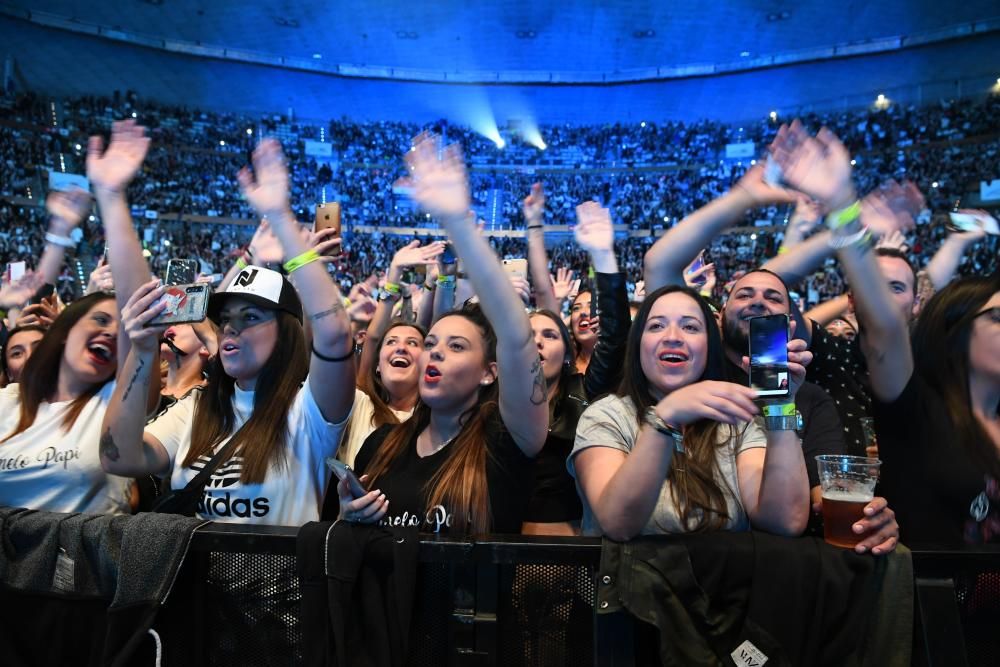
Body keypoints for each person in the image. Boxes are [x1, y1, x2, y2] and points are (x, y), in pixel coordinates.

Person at [99, 139, 356, 526]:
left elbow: (335, 334)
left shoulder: (310, 412)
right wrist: (141, 349)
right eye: (227, 318)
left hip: (277, 588)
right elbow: (119, 457)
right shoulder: (198, 408)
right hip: (194, 588)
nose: (232, 327)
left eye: (251, 317)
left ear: (286, 332)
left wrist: (280, 217)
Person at [770, 121, 1000, 544]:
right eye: (997, 319)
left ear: (919, 303)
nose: (887, 298)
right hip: (892, 569)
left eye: (901, 289)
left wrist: (955, 244)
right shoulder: (906, 394)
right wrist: (844, 209)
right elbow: (774, 293)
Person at [342, 133, 548, 535]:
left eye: (456, 347)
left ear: (489, 372)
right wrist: (349, 516)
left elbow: (518, 338)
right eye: (431, 344)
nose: (433, 354)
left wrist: (458, 224)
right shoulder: (380, 445)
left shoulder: (506, 443)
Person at [569, 284, 812, 540]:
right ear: (638, 344)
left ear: (710, 346)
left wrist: (780, 404)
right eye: (656, 326)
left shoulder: (736, 420)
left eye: (690, 327)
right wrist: (665, 417)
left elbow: (786, 521)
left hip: (722, 578)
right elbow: (618, 523)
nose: (672, 336)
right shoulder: (606, 416)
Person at [522, 198, 631, 535]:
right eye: (529, 334)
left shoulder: (587, 391)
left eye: (550, 335)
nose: (537, 341)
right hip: (498, 547)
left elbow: (615, 338)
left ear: (567, 352)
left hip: (573, 549)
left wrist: (602, 256)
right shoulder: (493, 400)